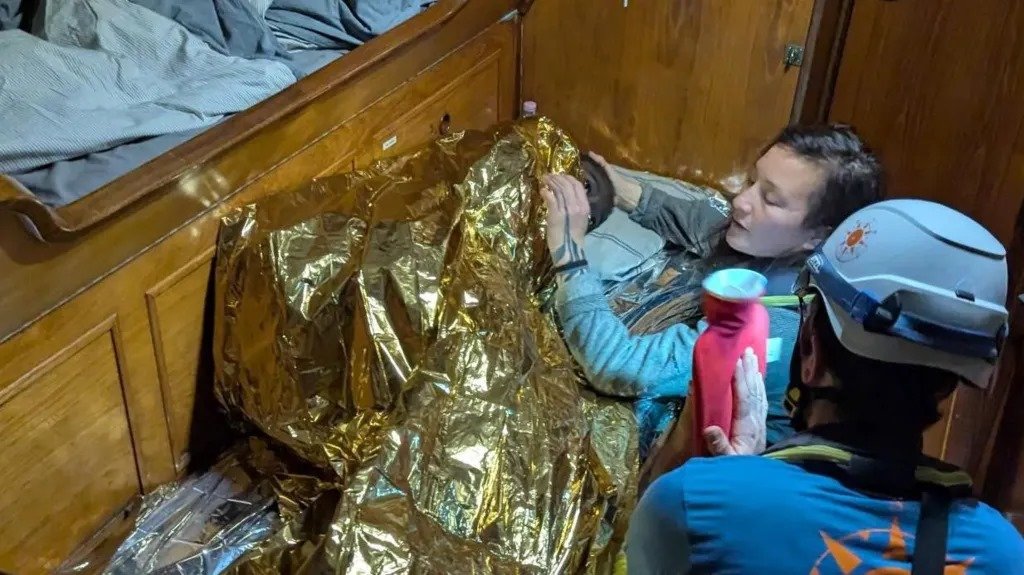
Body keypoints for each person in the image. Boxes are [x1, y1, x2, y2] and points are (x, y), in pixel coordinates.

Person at [625, 199, 1024, 574]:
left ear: (810, 349)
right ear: (948, 385)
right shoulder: (1002, 552)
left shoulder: (694, 504)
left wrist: (727, 476)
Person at [541, 124, 885, 460]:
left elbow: (615, 365)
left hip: (732, 467)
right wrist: (618, 188)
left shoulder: (769, 322)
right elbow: (706, 223)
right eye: (751, 181)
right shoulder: (794, 252)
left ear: (817, 236)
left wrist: (570, 253)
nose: (741, 201)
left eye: (770, 199)